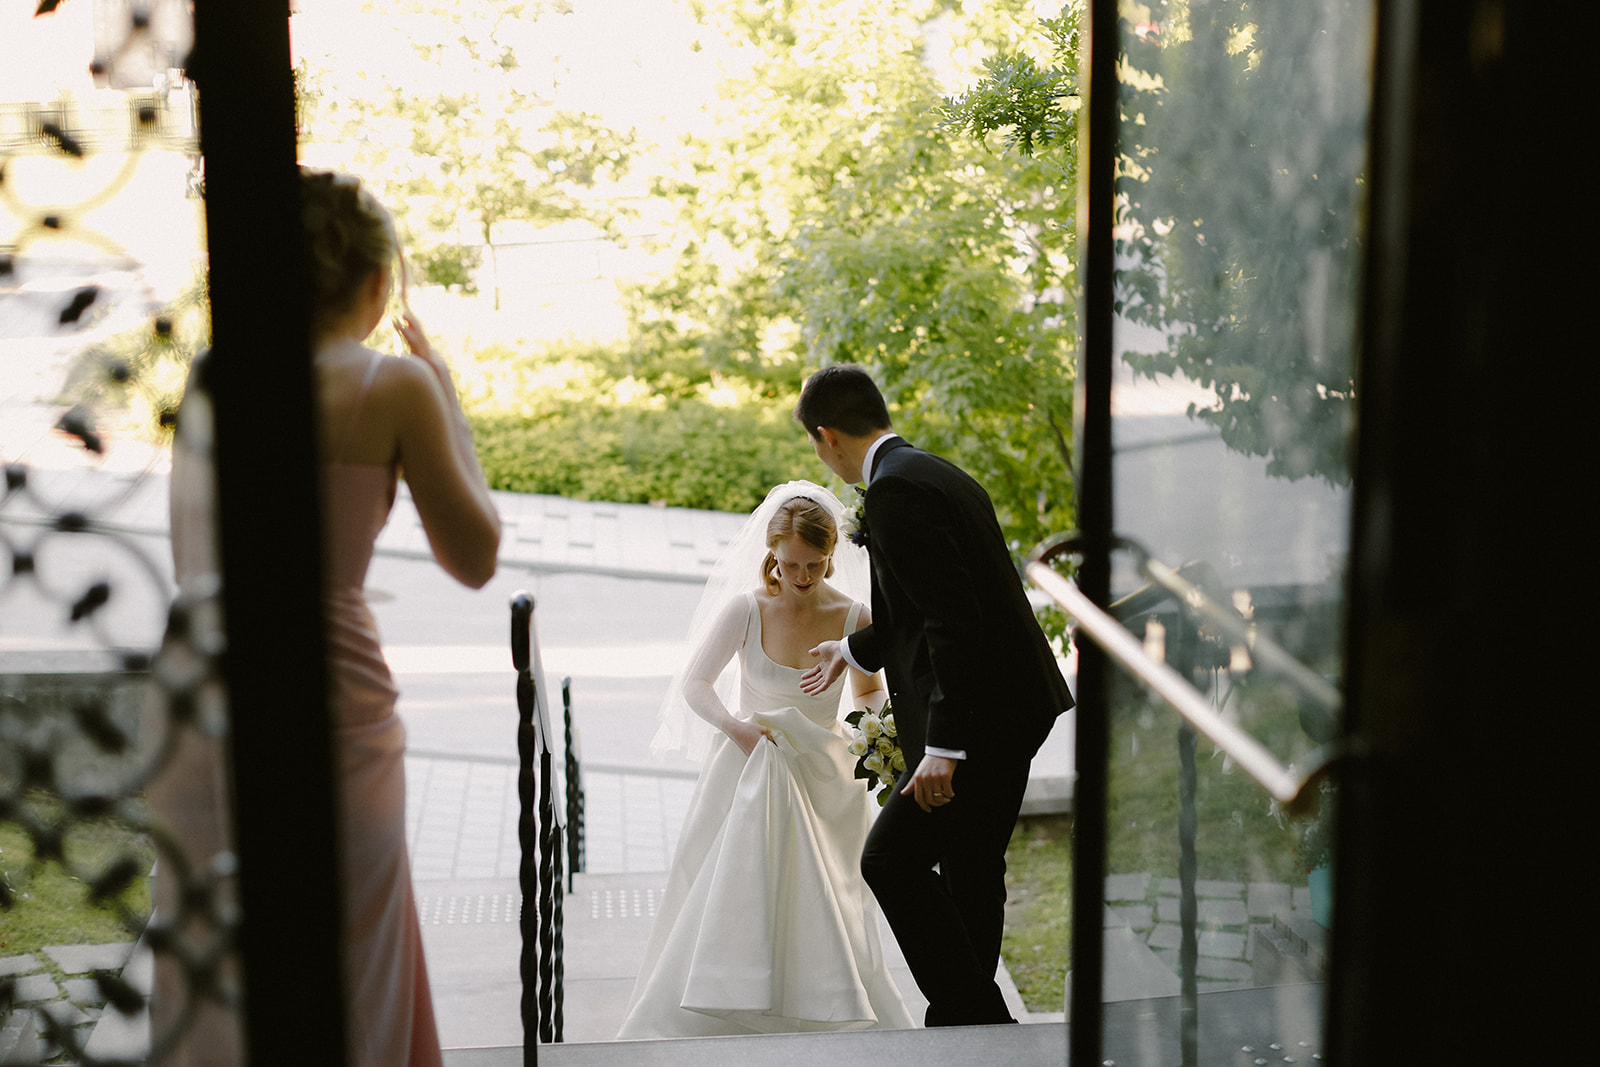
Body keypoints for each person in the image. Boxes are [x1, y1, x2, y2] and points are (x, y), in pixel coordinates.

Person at [153, 168, 501, 1066]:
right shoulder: (392, 386)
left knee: (215, 938)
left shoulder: (212, 378)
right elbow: (475, 557)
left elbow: (189, 554)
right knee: (349, 942)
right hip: (327, 690)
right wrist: (447, 397)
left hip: (194, 686)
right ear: (379, 285)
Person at [795, 364, 1072, 1028]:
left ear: (825, 435)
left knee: (889, 860)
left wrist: (944, 746)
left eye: (814, 442)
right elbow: (921, 608)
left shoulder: (897, 495)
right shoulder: (931, 472)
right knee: (973, 868)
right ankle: (967, 1030)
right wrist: (853, 650)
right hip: (1010, 709)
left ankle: (980, 1017)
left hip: (977, 721)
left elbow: (956, 624)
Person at [617, 482, 914, 1038]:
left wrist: (875, 733)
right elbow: (696, 684)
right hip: (746, 765)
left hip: (822, 773)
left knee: (828, 895)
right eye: (791, 564)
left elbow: (868, 691)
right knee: (725, 885)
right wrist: (737, 729)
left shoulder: (854, 617)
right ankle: (727, 999)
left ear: (831, 557)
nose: (802, 577)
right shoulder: (747, 610)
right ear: (772, 555)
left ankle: (828, 1003)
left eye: (815, 565)